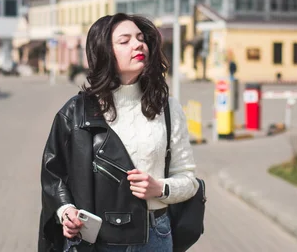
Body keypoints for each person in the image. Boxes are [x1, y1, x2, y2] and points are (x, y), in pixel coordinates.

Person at [39, 13, 199, 252]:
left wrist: (160, 189)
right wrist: (66, 212)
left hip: (154, 236)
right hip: (96, 240)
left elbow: (189, 180)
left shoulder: (167, 108)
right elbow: (54, 176)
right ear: (104, 52)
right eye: (124, 41)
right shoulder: (76, 112)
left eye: (140, 38)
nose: (137, 45)